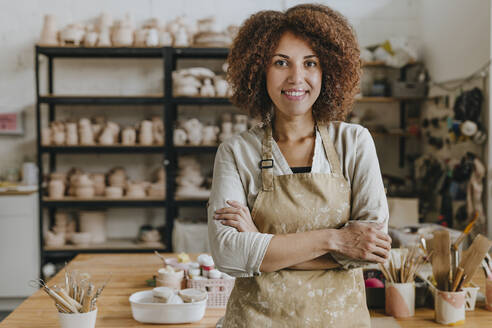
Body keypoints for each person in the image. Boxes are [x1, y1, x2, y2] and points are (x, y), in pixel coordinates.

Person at [208, 4, 392, 327]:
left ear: (328, 71)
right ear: (259, 70)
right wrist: (335, 240)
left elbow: (370, 248)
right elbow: (229, 254)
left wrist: (262, 246)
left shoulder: (355, 143)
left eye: (310, 63)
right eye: (281, 62)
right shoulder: (236, 152)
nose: (297, 77)